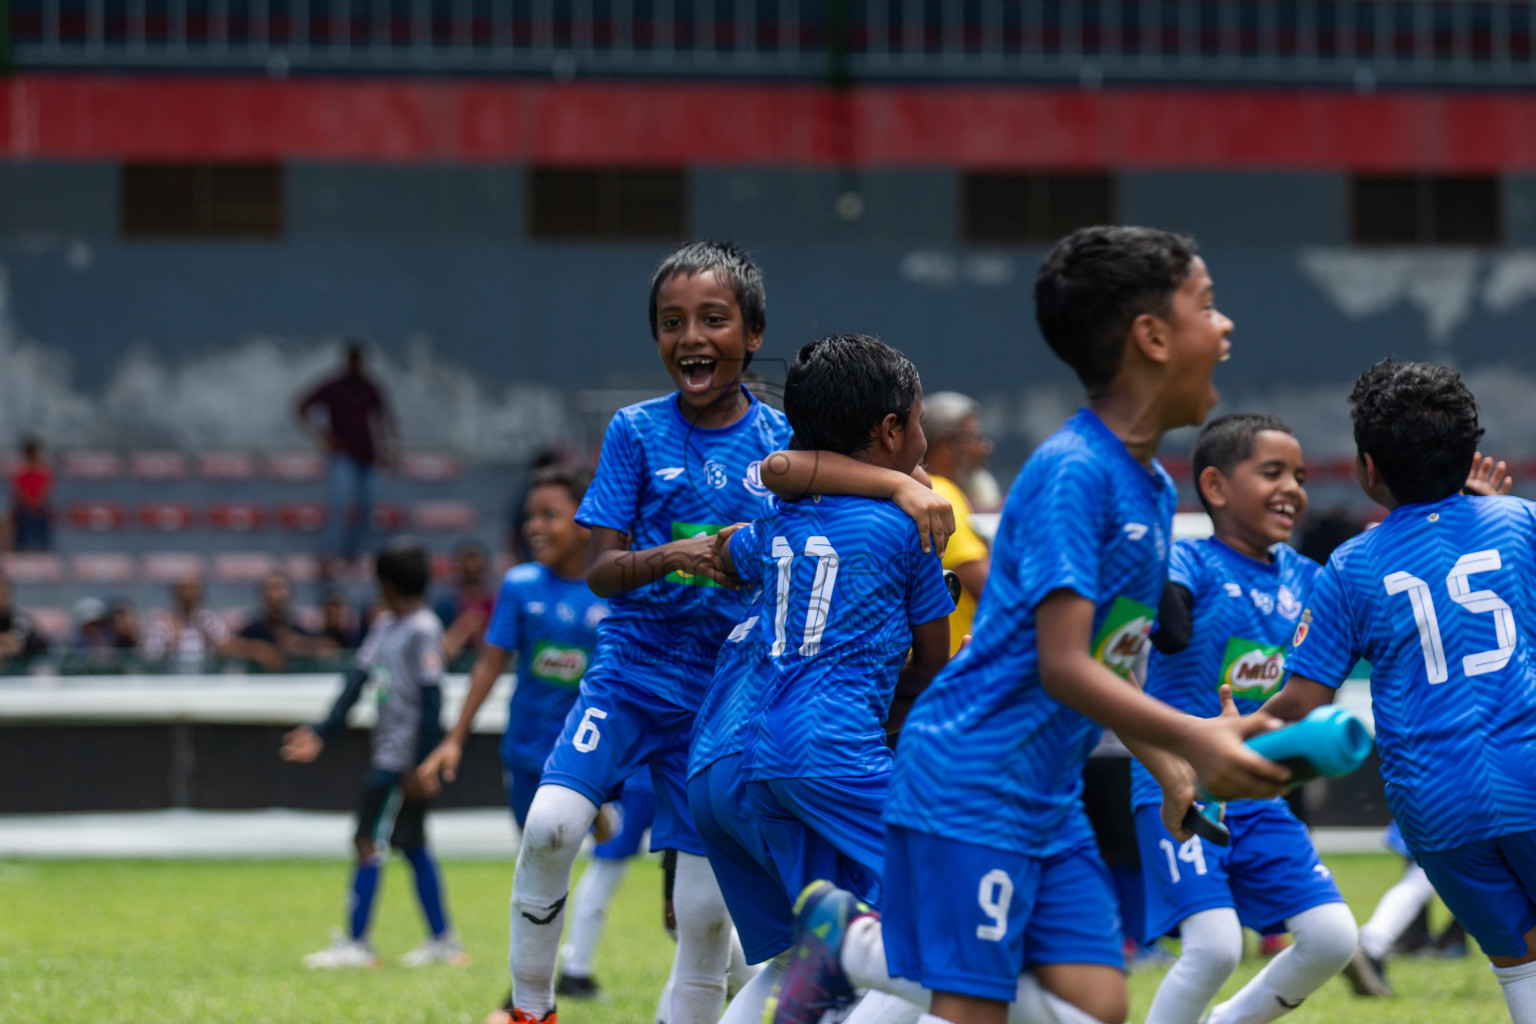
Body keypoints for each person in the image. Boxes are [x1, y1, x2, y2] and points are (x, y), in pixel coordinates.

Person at [769, 226, 1293, 1024]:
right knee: (978, 1007)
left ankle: (864, 948)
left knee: (1099, 1004)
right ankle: (853, 945)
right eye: (1208, 307)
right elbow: (1062, 665)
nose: (1225, 328)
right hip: (971, 779)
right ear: (1151, 338)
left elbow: (1111, 663)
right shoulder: (1073, 473)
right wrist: (1193, 738)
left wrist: (1169, 766)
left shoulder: (1150, 488)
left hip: (1047, 793)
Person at [501, 241, 952, 1024]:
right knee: (550, 827)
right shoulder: (636, 431)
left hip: (727, 701)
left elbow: (791, 474)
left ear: (754, 334)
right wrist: (669, 557)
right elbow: (600, 571)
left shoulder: (786, 436)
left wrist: (898, 486)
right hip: (641, 672)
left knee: (710, 920)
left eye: (714, 318)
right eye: (672, 322)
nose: (692, 336)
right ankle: (530, 1009)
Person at [690, 334, 955, 1024]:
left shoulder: (777, 520)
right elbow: (935, 665)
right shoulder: (908, 524)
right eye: (919, 422)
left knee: (811, 950)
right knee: (943, 915)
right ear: (890, 429)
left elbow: (729, 548)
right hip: (832, 750)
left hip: (742, 756)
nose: (925, 439)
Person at [1263, 358, 1536, 1024]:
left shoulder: (1352, 566)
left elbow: (1300, 706)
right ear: (1472, 454)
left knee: (1520, 963)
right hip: (1530, 771)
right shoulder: (1520, 524)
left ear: (1367, 467)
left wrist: (1217, 738)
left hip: (1436, 806)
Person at [1131, 413, 1359, 1024]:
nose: (1293, 488)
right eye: (1273, 472)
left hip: (1259, 790)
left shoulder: (1311, 580)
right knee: (1215, 949)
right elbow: (1171, 631)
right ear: (1215, 486)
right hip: (1178, 783)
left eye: (1301, 476)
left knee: (1334, 936)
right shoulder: (1188, 559)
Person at [417, 464, 656, 1012]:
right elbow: (488, 667)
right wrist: (454, 738)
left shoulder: (616, 587)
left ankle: (520, 1002)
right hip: (527, 757)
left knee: (558, 870)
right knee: (541, 875)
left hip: (597, 756)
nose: (535, 526)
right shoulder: (520, 586)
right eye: (530, 516)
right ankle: (535, 992)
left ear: (586, 518)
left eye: (549, 514)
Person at [280, 538, 467, 969]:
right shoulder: (386, 627)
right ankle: (444, 941)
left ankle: (357, 943)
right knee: (414, 845)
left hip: (398, 762)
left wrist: (421, 764)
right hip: (394, 755)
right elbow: (357, 681)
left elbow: (433, 698)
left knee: (367, 840)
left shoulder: (423, 629)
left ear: (385, 582)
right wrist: (322, 731)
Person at [296, 340, 398, 566]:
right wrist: (322, 436)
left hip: (368, 456)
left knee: (369, 505)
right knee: (339, 502)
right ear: (347, 362)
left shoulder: (371, 388)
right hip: (343, 456)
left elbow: (385, 418)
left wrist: (391, 448)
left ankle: (352, 553)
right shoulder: (333, 387)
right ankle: (327, 552)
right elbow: (300, 407)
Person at [921, 392, 993, 657]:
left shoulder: (920, 492)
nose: (985, 447)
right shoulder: (942, 494)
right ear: (944, 447)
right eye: (973, 437)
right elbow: (988, 587)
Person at [142, 574, 231, 674]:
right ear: (175, 592)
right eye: (183, 589)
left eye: (192, 589)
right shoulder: (162, 622)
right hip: (169, 682)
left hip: (205, 681)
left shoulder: (211, 620)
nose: (188, 594)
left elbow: (226, 652)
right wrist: (170, 643)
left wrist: (211, 643)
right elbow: (149, 657)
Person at [233, 571, 320, 672]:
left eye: (280, 587)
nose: (275, 594)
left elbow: (332, 648)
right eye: (271, 588)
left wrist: (304, 645)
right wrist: (255, 650)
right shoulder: (251, 632)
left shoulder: (300, 631)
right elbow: (225, 647)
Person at [434, 540, 496, 669]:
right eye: (467, 559)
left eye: (475, 558)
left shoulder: (496, 603)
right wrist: (463, 629)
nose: (471, 565)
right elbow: (435, 658)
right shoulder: (447, 605)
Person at [9, 436, 53, 552]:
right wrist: (28, 501)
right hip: (24, 504)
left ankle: (44, 548)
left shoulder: (43, 468)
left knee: (44, 517)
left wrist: (38, 501)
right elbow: (18, 488)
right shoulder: (20, 469)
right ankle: (20, 548)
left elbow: (46, 487)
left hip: (40, 504)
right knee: (21, 517)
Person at [0, 575, 48, 671]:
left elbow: (41, 644)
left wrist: (19, 642)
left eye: (5, 592)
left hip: (17, 676)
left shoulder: (19, 619)